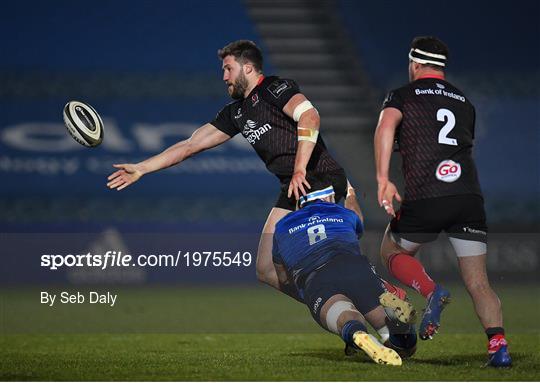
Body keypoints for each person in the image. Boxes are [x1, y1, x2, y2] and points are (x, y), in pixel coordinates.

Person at [106, 40, 360, 301]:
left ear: (248, 68)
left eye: (228, 69)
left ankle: (373, 299)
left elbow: (310, 116)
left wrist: (299, 169)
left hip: (317, 176)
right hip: (293, 187)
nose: (224, 77)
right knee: (266, 268)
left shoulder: (274, 88)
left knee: (326, 261)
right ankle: (333, 305)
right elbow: (190, 145)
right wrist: (141, 168)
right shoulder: (236, 112)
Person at [373, 36, 511, 367]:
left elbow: (385, 127)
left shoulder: (403, 95)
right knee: (479, 283)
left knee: (390, 251)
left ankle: (432, 290)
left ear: (415, 64)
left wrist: (382, 178)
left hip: (427, 195)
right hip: (468, 197)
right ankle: (499, 347)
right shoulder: (464, 101)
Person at [272, 185, 417, 366]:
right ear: (327, 197)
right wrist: (351, 194)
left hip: (317, 277)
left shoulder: (282, 226)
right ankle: (400, 328)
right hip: (354, 267)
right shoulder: (342, 213)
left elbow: (283, 277)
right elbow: (358, 223)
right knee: (405, 348)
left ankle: (358, 335)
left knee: (345, 316)